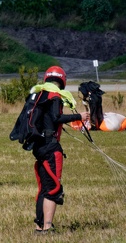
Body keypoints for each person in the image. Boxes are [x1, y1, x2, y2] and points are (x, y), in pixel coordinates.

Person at [30, 65, 89, 234]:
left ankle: (39, 226)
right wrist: (79, 116)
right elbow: (57, 117)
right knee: (53, 188)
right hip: (50, 148)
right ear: (62, 80)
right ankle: (47, 227)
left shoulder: (41, 95)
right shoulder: (54, 96)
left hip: (39, 146)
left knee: (43, 187)